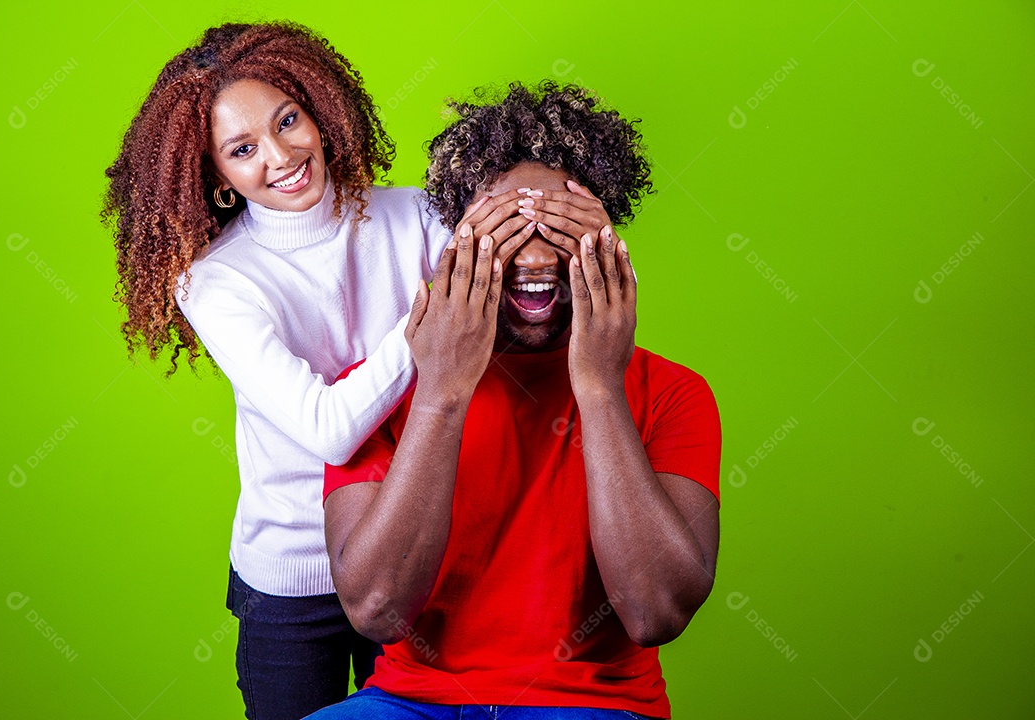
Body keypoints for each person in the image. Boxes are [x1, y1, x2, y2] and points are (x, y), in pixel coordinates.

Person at [100, 22, 531, 719]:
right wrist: (438, 315)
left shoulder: (414, 215)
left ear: (319, 109)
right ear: (215, 175)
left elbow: (507, 304)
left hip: (416, 552)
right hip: (295, 580)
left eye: (288, 120)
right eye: (242, 150)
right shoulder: (216, 284)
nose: (280, 156)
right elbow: (329, 430)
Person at [310, 82, 722, 720]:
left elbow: (654, 613)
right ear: (457, 244)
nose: (532, 254)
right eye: (505, 228)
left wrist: (599, 385)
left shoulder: (671, 393)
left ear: (607, 245)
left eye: (560, 226)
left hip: (595, 707)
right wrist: (442, 392)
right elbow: (376, 610)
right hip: (411, 704)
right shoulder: (379, 390)